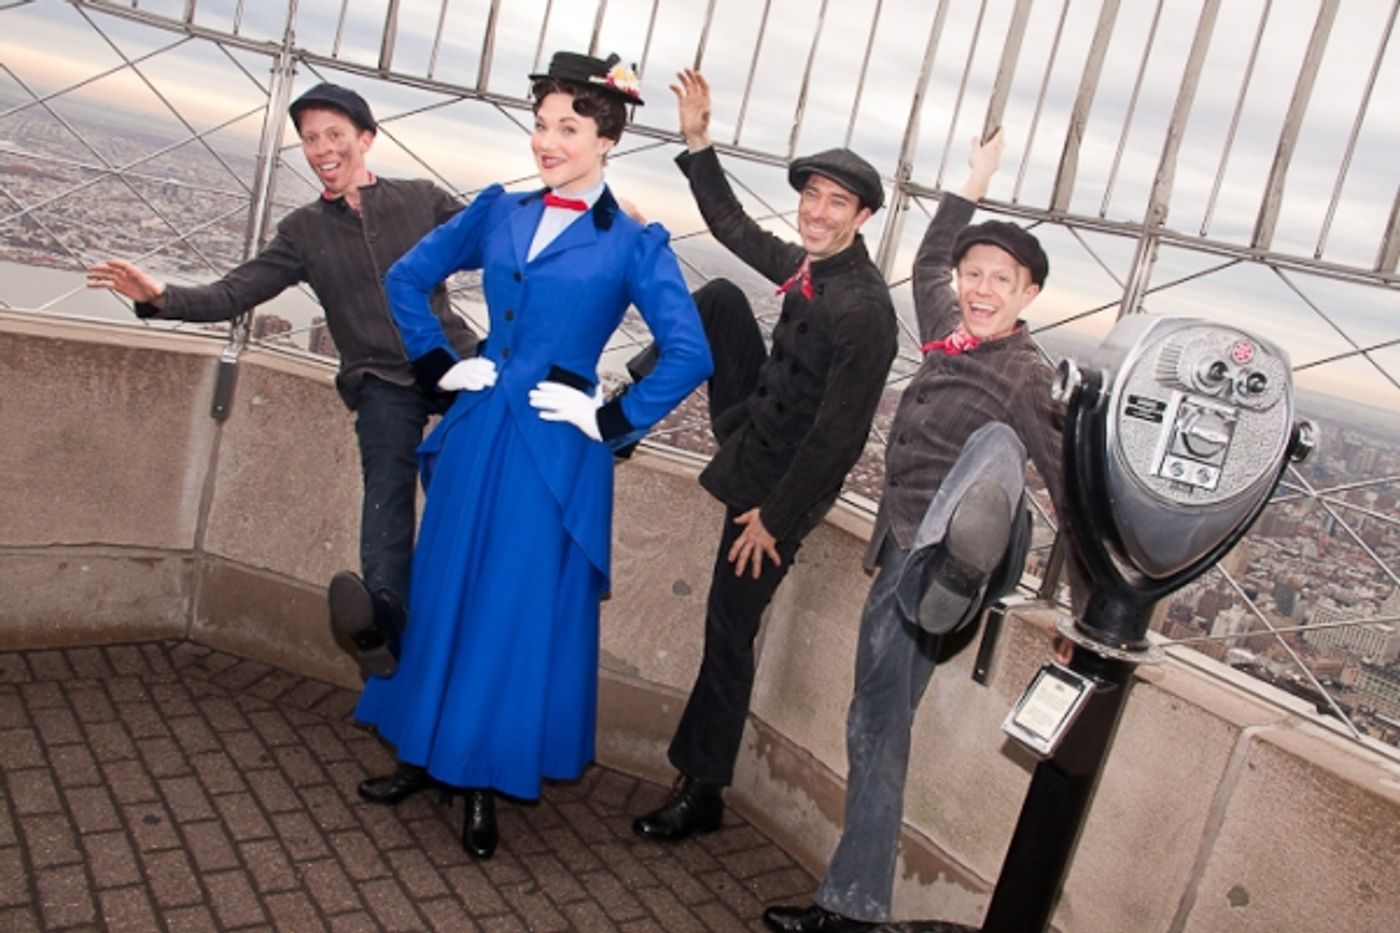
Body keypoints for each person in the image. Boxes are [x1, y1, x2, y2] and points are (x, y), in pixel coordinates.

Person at [350, 51, 712, 860]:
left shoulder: (636, 243)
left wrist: (608, 413)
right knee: (445, 591)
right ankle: (421, 749)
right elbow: (408, 278)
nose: (547, 141)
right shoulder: (499, 209)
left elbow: (690, 352)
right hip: (478, 430)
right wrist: (441, 366)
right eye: (542, 123)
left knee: (510, 611)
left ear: (606, 138)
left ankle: (480, 775)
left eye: (568, 128)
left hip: (554, 447)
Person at [761, 131, 1087, 933]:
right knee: (878, 723)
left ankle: (852, 909)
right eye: (973, 275)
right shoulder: (953, 328)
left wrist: (1082, 618)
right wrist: (975, 180)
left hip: (930, 567)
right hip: (904, 548)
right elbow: (932, 254)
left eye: (998, 280)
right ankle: (855, 900)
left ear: (1028, 293)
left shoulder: (1026, 373)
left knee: (876, 729)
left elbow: (1071, 492)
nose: (977, 288)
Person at [86, 83, 475, 680]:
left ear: (366, 139)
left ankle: (481, 608)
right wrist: (159, 297)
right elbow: (234, 293)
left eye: (334, 135)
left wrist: (594, 218)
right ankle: (384, 614)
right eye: (310, 138)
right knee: (387, 480)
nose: (321, 147)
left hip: (455, 361)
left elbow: (496, 239)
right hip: (380, 379)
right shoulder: (303, 232)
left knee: (494, 466)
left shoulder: (421, 201)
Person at [631, 69, 898, 843]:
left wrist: (772, 522)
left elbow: (839, 441)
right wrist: (698, 141)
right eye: (811, 196)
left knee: (727, 633)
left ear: (864, 215)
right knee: (716, 296)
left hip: (775, 489)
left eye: (835, 202)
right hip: (751, 429)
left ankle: (702, 787)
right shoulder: (813, 270)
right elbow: (732, 227)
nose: (816, 211)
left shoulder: (865, 311)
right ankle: (631, 399)